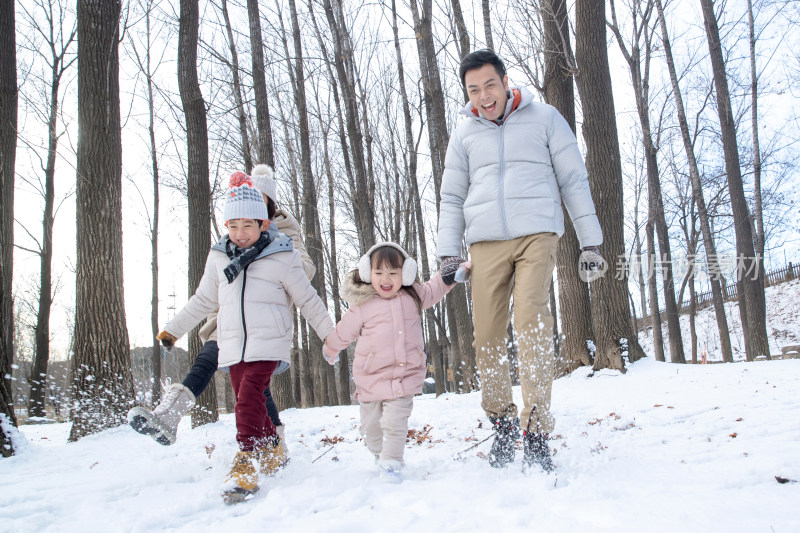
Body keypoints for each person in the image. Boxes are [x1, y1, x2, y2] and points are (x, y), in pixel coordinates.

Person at [436, 49, 604, 473]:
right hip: (486, 242)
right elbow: (452, 196)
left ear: (506, 80)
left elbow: (572, 179)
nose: (484, 96)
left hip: (537, 232)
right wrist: (448, 253)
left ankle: (535, 429)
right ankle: (503, 421)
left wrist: (590, 242)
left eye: (489, 85)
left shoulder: (545, 118)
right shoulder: (464, 134)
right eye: (474, 90)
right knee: (487, 332)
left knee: (531, 319)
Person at [151, 173, 334, 504]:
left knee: (249, 395)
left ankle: (246, 460)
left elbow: (308, 298)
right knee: (250, 397)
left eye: (247, 225)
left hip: (269, 340)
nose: (240, 233)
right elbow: (203, 300)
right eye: (233, 225)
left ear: (264, 224)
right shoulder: (220, 256)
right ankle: (272, 449)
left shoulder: (282, 252)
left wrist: (330, 336)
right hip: (233, 344)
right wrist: (174, 329)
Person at [128, 165, 315, 457]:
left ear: (271, 202)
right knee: (213, 363)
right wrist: (175, 328)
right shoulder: (239, 224)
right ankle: (168, 415)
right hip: (226, 313)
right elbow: (209, 286)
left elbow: (306, 271)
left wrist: (274, 250)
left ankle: (272, 444)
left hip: (262, 316)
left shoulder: (285, 230)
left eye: (261, 196)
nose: (255, 200)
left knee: (252, 388)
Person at [322, 243, 469, 482]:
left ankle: (391, 464)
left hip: (404, 376)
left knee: (394, 422)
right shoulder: (363, 305)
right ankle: (380, 453)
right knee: (371, 430)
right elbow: (343, 332)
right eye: (379, 273)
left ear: (406, 273)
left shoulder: (413, 296)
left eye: (393, 272)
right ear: (369, 274)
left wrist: (450, 274)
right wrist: (331, 348)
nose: (386, 279)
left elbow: (434, 289)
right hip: (371, 378)